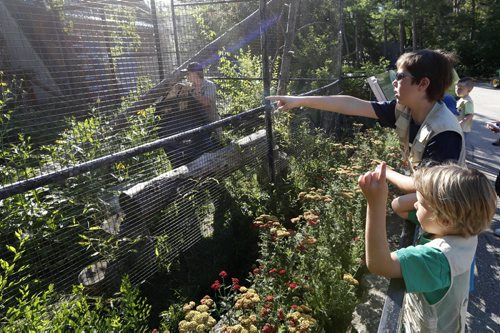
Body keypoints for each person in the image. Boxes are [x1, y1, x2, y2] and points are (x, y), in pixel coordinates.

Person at [267, 49, 465, 204]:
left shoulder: (444, 134)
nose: (394, 82)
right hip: (431, 204)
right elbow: (351, 104)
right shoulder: (405, 110)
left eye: (400, 77)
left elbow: (422, 186)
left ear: (423, 84)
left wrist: (386, 173)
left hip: (447, 213)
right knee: (401, 206)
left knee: (399, 205)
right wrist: (298, 100)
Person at [358, 162, 496, 332]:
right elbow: (399, 206)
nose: (415, 204)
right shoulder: (463, 230)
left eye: (421, 203)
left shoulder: (437, 259)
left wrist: (375, 203)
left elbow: (379, 264)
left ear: (445, 219)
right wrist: (429, 191)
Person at [455, 77, 475, 147]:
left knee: (458, 146)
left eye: (460, 88)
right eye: (456, 87)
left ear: (468, 91)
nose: (457, 90)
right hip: (458, 128)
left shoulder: (467, 101)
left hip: (462, 129)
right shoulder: (462, 98)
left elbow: (470, 115)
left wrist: (460, 124)